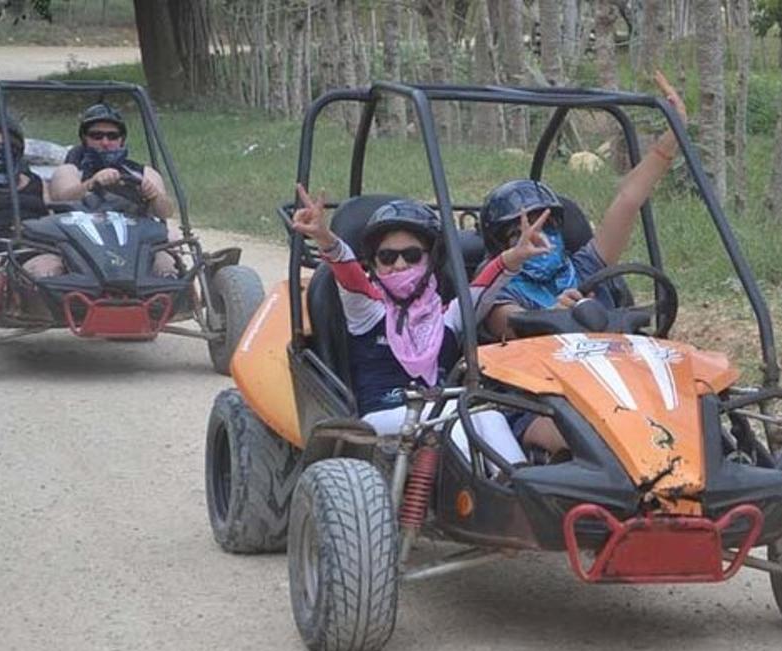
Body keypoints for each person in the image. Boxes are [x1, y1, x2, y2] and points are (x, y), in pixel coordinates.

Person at [290, 184, 554, 471]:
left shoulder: (448, 317)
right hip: (380, 420)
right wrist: (324, 237)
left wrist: (517, 255)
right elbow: (348, 274)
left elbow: (484, 286)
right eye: (387, 257)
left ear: (430, 259)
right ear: (375, 264)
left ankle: (515, 491)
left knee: (489, 417)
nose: (400, 264)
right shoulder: (366, 310)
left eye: (412, 255)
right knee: (460, 416)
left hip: (438, 416)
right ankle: (482, 504)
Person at [481, 70, 688, 341]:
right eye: (520, 233)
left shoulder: (584, 267)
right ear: (502, 248)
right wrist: (554, 315)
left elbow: (628, 200)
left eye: (547, 225)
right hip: (540, 377)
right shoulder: (500, 292)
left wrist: (674, 135)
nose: (538, 238)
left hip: (610, 369)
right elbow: (507, 324)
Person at [49, 102, 177, 277]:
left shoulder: (143, 172)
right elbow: (60, 197)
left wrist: (154, 195)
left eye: (112, 136)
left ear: (121, 140)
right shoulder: (70, 171)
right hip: (80, 244)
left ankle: (179, 302)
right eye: (96, 136)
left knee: (168, 268)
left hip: (137, 245)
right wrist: (92, 183)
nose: (105, 142)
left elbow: (166, 212)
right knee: (49, 270)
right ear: (84, 139)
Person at [0, 116, 60, 276]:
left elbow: (51, 217)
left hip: (33, 248)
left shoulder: (37, 182)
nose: (1, 152)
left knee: (50, 270)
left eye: (9, 147)